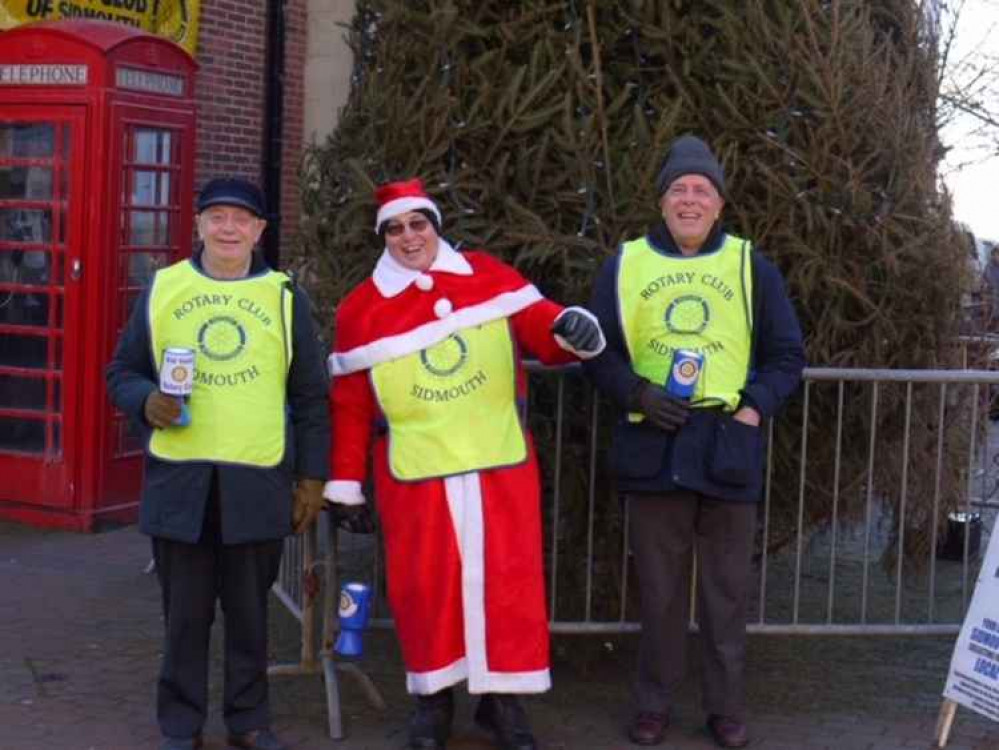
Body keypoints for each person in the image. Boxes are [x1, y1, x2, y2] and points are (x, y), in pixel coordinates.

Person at [325, 178, 605, 750]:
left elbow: (545, 331)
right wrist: (345, 484)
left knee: (506, 584)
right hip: (415, 477)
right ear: (383, 238)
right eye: (396, 229)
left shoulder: (488, 278)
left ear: (436, 226)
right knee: (426, 588)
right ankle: (433, 704)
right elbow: (351, 407)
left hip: (497, 469)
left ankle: (502, 707)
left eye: (418, 224)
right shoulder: (361, 310)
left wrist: (573, 329)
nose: (409, 238)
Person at [582, 136, 805, 748]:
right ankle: (653, 705)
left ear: (719, 203)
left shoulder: (749, 265)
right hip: (655, 439)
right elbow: (595, 353)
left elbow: (788, 356)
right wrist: (635, 393)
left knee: (726, 592)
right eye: (678, 189)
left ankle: (725, 708)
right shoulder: (624, 265)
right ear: (661, 202)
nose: (689, 199)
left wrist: (755, 410)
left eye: (700, 190)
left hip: (727, 442)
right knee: (658, 592)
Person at [106, 178, 330, 750]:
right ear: (199, 225)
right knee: (184, 620)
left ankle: (249, 721)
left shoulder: (285, 297)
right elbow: (122, 371)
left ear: (258, 232)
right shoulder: (164, 288)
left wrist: (311, 476)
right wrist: (143, 400)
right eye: (217, 217)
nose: (228, 228)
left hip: (257, 482)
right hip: (181, 486)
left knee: (250, 620)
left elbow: (309, 395)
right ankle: (180, 726)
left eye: (241, 219)